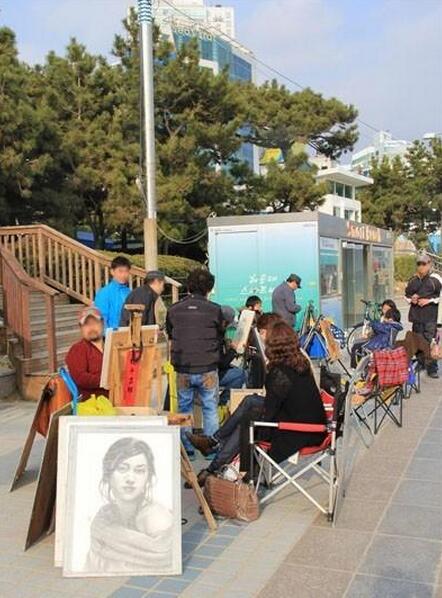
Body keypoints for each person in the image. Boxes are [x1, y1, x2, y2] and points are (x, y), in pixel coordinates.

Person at [188, 322, 327, 484]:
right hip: (311, 423)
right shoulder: (299, 361)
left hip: (299, 432)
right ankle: (213, 444)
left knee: (247, 425)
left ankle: (216, 469)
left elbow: (269, 414)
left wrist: (251, 434)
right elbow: (275, 405)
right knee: (250, 401)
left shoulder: (278, 373)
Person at [87, 437, 172, 573]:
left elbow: (163, 555)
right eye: (122, 469)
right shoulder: (103, 519)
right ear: (108, 475)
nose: (130, 479)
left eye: (139, 471)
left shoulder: (156, 518)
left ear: (148, 477)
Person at [166, 268, 224, 459]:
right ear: (209, 288)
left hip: (183, 367)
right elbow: (220, 335)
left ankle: (187, 450)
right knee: (210, 408)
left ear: (189, 286)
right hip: (208, 366)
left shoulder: (173, 310)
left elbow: (170, 333)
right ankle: (210, 449)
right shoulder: (215, 309)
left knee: (184, 408)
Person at [405, 253, 441, 378]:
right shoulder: (413, 280)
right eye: (419, 264)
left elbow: (439, 296)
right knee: (417, 340)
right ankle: (421, 363)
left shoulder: (435, 279)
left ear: (429, 264)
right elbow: (407, 295)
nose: (421, 266)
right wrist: (411, 300)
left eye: (423, 264)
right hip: (416, 316)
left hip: (430, 317)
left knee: (429, 341)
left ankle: (432, 368)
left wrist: (429, 301)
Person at [65, 306, 108, 399]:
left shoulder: (113, 344)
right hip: (92, 404)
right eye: (86, 324)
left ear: (102, 323)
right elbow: (81, 378)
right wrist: (108, 381)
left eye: (95, 322)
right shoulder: (77, 349)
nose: (91, 327)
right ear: (81, 328)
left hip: (121, 398)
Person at [94, 256, 131, 332]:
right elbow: (101, 319)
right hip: (111, 337)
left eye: (126, 271)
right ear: (112, 272)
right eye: (120, 271)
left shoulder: (129, 292)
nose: (124, 275)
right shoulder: (104, 293)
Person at [219, 306, 246, 406]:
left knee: (237, 370)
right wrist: (233, 350)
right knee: (241, 374)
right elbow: (222, 363)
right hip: (209, 376)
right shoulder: (217, 336)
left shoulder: (209, 331)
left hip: (199, 372)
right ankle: (222, 402)